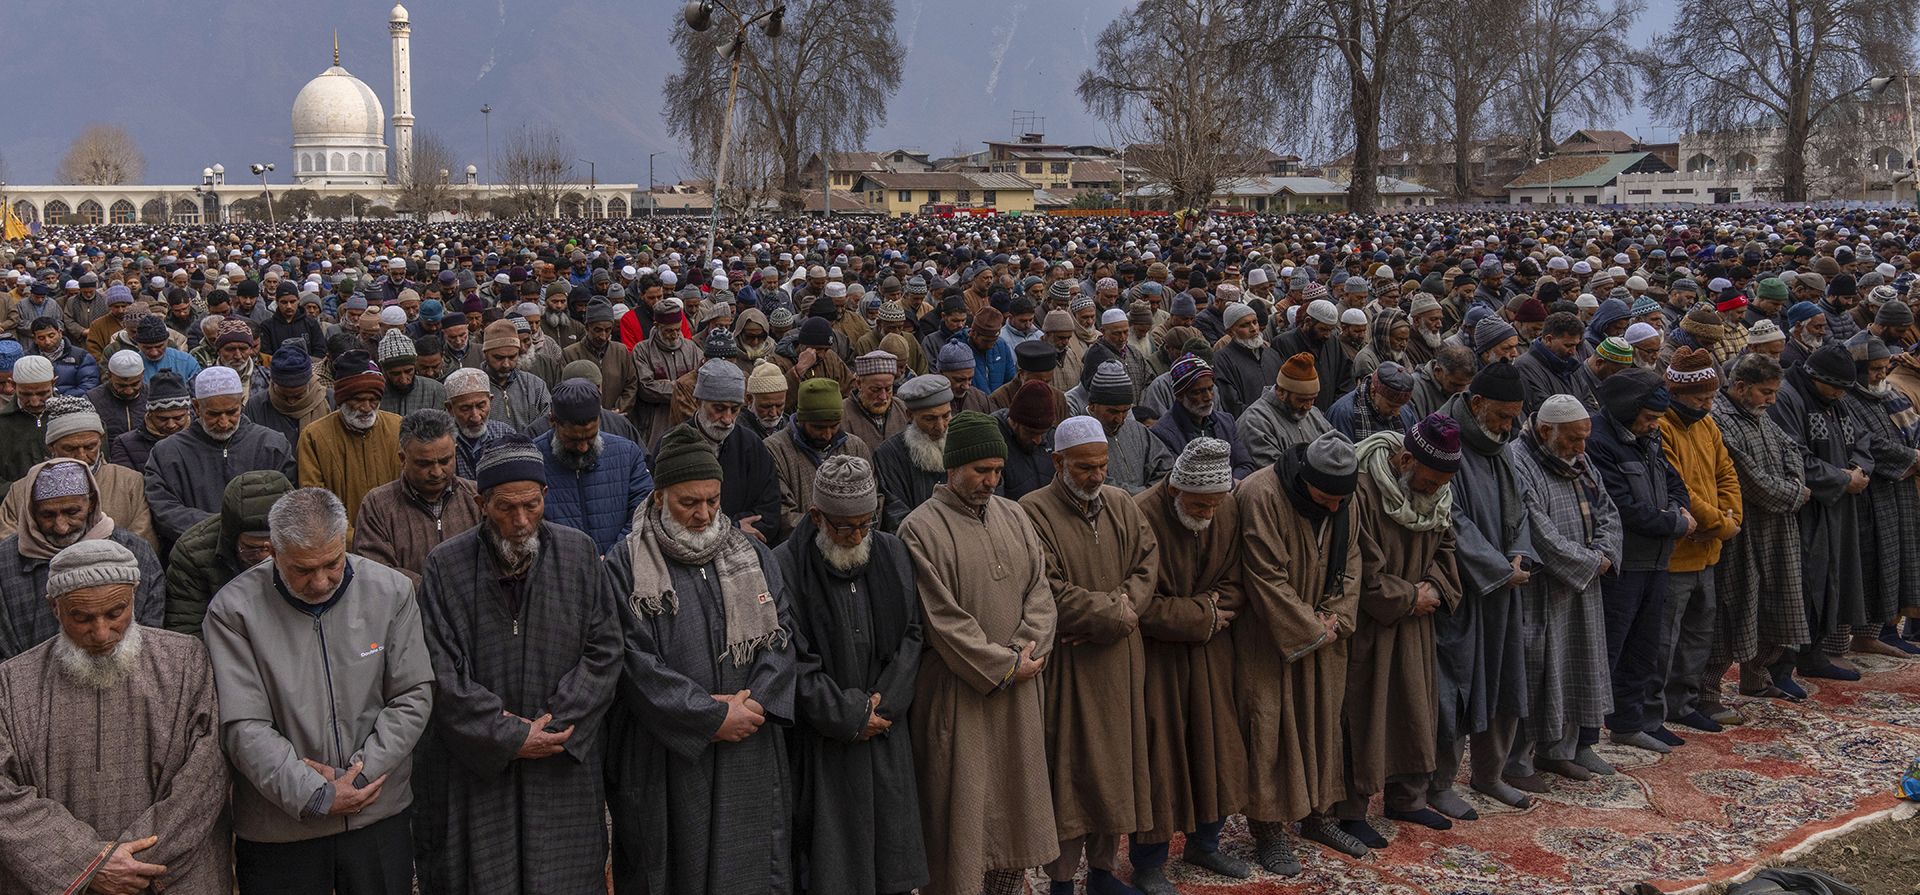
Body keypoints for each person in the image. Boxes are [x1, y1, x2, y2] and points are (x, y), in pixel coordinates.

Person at [415, 433, 625, 893]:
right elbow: (440, 669)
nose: (521, 520)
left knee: (565, 876)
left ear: (545, 495)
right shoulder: (444, 567)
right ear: (481, 502)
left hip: (561, 757)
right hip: (479, 767)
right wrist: (508, 736)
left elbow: (605, 650)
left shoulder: (579, 553)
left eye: (531, 505)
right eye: (506, 508)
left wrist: (553, 729)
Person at [203, 488, 432, 895]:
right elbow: (243, 725)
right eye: (303, 570)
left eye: (332, 564)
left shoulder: (391, 592)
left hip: (376, 814)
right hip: (282, 827)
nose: (321, 580)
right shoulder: (233, 610)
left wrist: (360, 778)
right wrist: (314, 794)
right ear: (272, 552)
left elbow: (412, 694)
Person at [601, 425, 798, 894]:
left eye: (712, 500)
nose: (703, 513)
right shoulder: (625, 564)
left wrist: (755, 706)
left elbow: (781, 632)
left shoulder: (750, 552)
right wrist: (709, 716)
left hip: (749, 739)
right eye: (689, 502)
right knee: (674, 867)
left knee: (750, 865)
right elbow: (633, 660)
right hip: (669, 752)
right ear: (661, 494)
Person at [0, 538, 231, 894]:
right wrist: (87, 864)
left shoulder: (186, 662)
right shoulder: (13, 683)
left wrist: (133, 862)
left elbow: (206, 774)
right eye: (82, 618)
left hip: (171, 877)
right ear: (54, 608)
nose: (102, 633)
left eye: (115, 612)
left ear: (135, 597)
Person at [898, 409, 1059, 895]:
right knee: (965, 821)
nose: (991, 480)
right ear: (952, 468)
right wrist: (1005, 663)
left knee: (1014, 815)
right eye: (980, 471)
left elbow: (1041, 591)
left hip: (1020, 690)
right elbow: (942, 620)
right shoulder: (918, 529)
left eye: (996, 470)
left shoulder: (1014, 514)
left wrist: (1026, 649)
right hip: (960, 695)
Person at [766, 455, 930, 894]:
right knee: (833, 867)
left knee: (890, 863)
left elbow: (913, 635)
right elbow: (791, 657)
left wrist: (885, 703)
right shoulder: (785, 564)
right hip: (826, 742)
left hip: (887, 731)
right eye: (844, 528)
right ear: (817, 516)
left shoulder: (891, 551)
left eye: (865, 524)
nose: (857, 536)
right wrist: (848, 715)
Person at [1018, 416, 1159, 895]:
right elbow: (1047, 588)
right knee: (1072, 776)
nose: (1096, 476)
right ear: (1058, 463)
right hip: (1071, 671)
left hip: (1120, 663)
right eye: (1084, 468)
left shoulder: (1120, 503)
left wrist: (1119, 612)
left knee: (1117, 771)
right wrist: (1114, 615)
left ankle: (1101, 874)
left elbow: (1146, 564)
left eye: (1101, 466)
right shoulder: (1031, 512)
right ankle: (1061, 882)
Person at [1234, 429, 1364, 866]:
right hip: (1270, 637)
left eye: (1339, 502)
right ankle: (1269, 830)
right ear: (1304, 477)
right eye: (1325, 498)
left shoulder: (1345, 498)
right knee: (1269, 729)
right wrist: (1310, 627)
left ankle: (1319, 815)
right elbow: (1264, 573)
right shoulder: (1261, 493)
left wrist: (1336, 619)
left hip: (1327, 633)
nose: (1332, 508)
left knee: (1323, 722)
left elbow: (1352, 562)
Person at [1128, 438, 1252, 893]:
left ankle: (1206, 842)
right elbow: (1139, 603)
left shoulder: (1227, 510)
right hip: (1158, 659)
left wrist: (1211, 612)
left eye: (1215, 505)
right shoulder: (1140, 514)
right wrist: (1204, 615)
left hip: (1212, 654)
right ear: (1176, 490)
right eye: (1200, 505)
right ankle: (1148, 863)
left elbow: (1238, 581)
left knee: (1215, 747)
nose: (1207, 514)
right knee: (1160, 756)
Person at [1340, 415, 1467, 839]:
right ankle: (1351, 812)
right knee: (1363, 715)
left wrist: (1434, 588)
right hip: (1372, 623)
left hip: (1416, 621)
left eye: (1440, 485)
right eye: (1429, 483)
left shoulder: (1439, 490)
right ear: (1404, 459)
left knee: (1416, 709)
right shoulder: (1360, 488)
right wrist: (1410, 597)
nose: (1434, 492)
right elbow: (1358, 564)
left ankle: (1407, 800)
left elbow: (1447, 544)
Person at [1431, 361, 1539, 810]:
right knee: (1455, 690)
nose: (1508, 425)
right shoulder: (1442, 435)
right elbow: (1447, 516)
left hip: (1504, 587)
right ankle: (1437, 784)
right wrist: (1496, 568)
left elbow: (1520, 508)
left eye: (1514, 416)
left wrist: (1519, 553)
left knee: (1505, 680)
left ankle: (1489, 774)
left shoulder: (1502, 445)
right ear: (1477, 404)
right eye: (1501, 415)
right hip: (1462, 589)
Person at [1506, 395, 1624, 781]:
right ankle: (1517, 762)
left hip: (1582, 584)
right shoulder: (1519, 461)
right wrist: (1592, 562)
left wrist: (1606, 551)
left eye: (1584, 438)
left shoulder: (1581, 460)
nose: (1581, 448)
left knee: (1579, 666)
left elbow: (1607, 509)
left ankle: (1561, 751)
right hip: (1544, 588)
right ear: (1546, 430)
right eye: (1574, 439)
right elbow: (1539, 533)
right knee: (1537, 674)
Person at [1586, 368, 1695, 753]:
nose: (1653, 426)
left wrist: (1679, 508)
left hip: (1656, 560)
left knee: (1644, 648)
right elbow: (1620, 506)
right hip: (1623, 562)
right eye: (1648, 418)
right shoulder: (1598, 440)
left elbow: (1674, 481)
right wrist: (1675, 522)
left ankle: (1628, 723)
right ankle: (1583, 738)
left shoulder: (1650, 436)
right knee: (1609, 648)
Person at [1709, 354, 1813, 702]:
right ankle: (1706, 689)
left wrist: (1794, 482)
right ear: (1741, 387)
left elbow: (1792, 449)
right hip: (1744, 530)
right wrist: (1796, 492)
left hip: (1778, 526)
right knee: (1736, 608)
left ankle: (1757, 678)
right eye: (1765, 392)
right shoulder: (1720, 420)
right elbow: (1750, 480)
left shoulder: (1761, 416)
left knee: (1778, 604)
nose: (1771, 400)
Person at [1655, 348, 1744, 734]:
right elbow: (1680, 488)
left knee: (1698, 633)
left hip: (1708, 547)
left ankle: (1684, 702)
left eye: (1710, 398)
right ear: (1676, 394)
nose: (1708, 405)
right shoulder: (1661, 426)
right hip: (1678, 553)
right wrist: (1721, 524)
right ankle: (1652, 710)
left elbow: (1726, 472)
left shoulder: (1707, 425)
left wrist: (1732, 516)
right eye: (1700, 399)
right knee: (1664, 638)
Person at [0, 459, 166, 661]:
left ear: (91, 503)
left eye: (72, 512)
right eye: (48, 515)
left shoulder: (135, 552)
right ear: (31, 511)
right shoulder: (6, 562)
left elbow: (149, 634)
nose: (61, 526)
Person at [144, 366, 296, 544]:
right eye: (214, 414)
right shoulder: (167, 453)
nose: (224, 423)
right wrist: (227, 529)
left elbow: (288, 503)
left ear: (242, 402)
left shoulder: (272, 445)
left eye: (232, 412)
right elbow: (164, 510)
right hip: (193, 556)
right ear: (196, 407)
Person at [0, 395, 154, 548]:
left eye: (90, 447)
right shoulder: (22, 490)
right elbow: (10, 542)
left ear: (101, 440)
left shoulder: (130, 482)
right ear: (51, 447)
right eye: (70, 448)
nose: (81, 456)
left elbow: (141, 541)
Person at [352, 409, 483, 585]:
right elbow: (375, 570)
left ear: (455, 452)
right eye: (424, 463)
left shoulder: (476, 497)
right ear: (403, 459)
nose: (436, 472)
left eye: (445, 461)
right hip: (409, 610)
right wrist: (433, 591)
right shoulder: (378, 505)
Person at [164, 471, 291, 636]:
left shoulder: (312, 543)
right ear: (231, 537)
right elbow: (187, 630)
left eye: (275, 549)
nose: (263, 557)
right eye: (252, 549)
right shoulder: (193, 553)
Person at [767, 378, 873, 534]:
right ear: (801, 419)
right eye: (818, 427)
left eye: (834, 425)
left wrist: (854, 530)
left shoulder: (855, 447)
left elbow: (874, 500)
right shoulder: (774, 450)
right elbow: (782, 513)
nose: (827, 435)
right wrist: (834, 531)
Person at [1151, 355, 1255, 479]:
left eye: (1210, 389)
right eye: (1198, 392)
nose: (1208, 397)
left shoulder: (1226, 422)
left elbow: (1245, 465)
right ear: (1179, 395)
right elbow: (1181, 479)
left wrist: (1229, 486)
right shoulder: (1162, 433)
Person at [873, 373, 953, 530]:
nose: (941, 427)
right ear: (909, 415)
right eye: (930, 419)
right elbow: (895, 513)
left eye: (946, 416)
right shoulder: (889, 454)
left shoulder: (961, 443)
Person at [1237, 352, 1332, 469]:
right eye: (1302, 400)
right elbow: (1277, 472)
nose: (1308, 406)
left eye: (1313, 399)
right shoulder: (1255, 421)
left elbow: (1334, 447)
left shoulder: (1314, 414)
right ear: (1281, 392)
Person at [632, 296, 703, 446]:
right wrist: (683, 388)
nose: (675, 334)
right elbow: (647, 388)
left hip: (688, 416)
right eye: (669, 331)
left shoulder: (691, 348)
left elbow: (701, 381)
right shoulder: (642, 350)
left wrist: (667, 385)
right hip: (656, 420)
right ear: (656, 325)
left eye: (678, 329)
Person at [245, 345, 331, 450]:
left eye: (298, 396)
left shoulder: (329, 401)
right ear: (273, 384)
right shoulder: (256, 406)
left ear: (309, 382)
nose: (291, 402)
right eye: (284, 396)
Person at [564, 300, 640, 416]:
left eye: (608, 330)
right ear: (587, 327)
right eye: (598, 330)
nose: (603, 336)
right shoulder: (570, 354)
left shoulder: (621, 351)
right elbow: (565, 391)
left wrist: (619, 409)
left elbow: (631, 385)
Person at [443, 367, 517, 481]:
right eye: (465, 408)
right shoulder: (442, 439)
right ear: (450, 408)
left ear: (490, 401)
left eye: (481, 405)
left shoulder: (505, 434)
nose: (475, 417)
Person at [478, 319, 552, 430]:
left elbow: (547, 424)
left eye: (512, 357)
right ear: (485, 354)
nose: (506, 364)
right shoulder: (474, 387)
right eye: (498, 358)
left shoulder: (535, 385)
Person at [111, 370, 191, 472]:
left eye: (178, 418)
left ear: (187, 413)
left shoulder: (202, 439)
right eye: (162, 419)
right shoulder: (124, 444)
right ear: (149, 415)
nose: (171, 425)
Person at [1327, 361, 1418, 440]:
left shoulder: (1406, 413)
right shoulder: (1343, 413)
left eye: (1400, 406)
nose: (1397, 413)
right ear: (1373, 391)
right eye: (1391, 406)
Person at [0, 354, 54, 484]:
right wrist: (22, 492)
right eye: (26, 395)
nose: (35, 402)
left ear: (53, 383)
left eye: (42, 394)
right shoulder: (2, 424)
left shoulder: (71, 417)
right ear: (13, 385)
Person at [377, 329, 446, 417]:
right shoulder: (376, 394)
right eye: (395, 374)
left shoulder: (436, 390)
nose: (404, 380)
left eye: (408, 371)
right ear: (384, 371)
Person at [88, 349, 147, 444]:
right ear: (109, 376)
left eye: (135, 384)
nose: (129, 391)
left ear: (143, 374)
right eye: (121, 386)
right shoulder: (92, 400)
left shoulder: (153, 395)